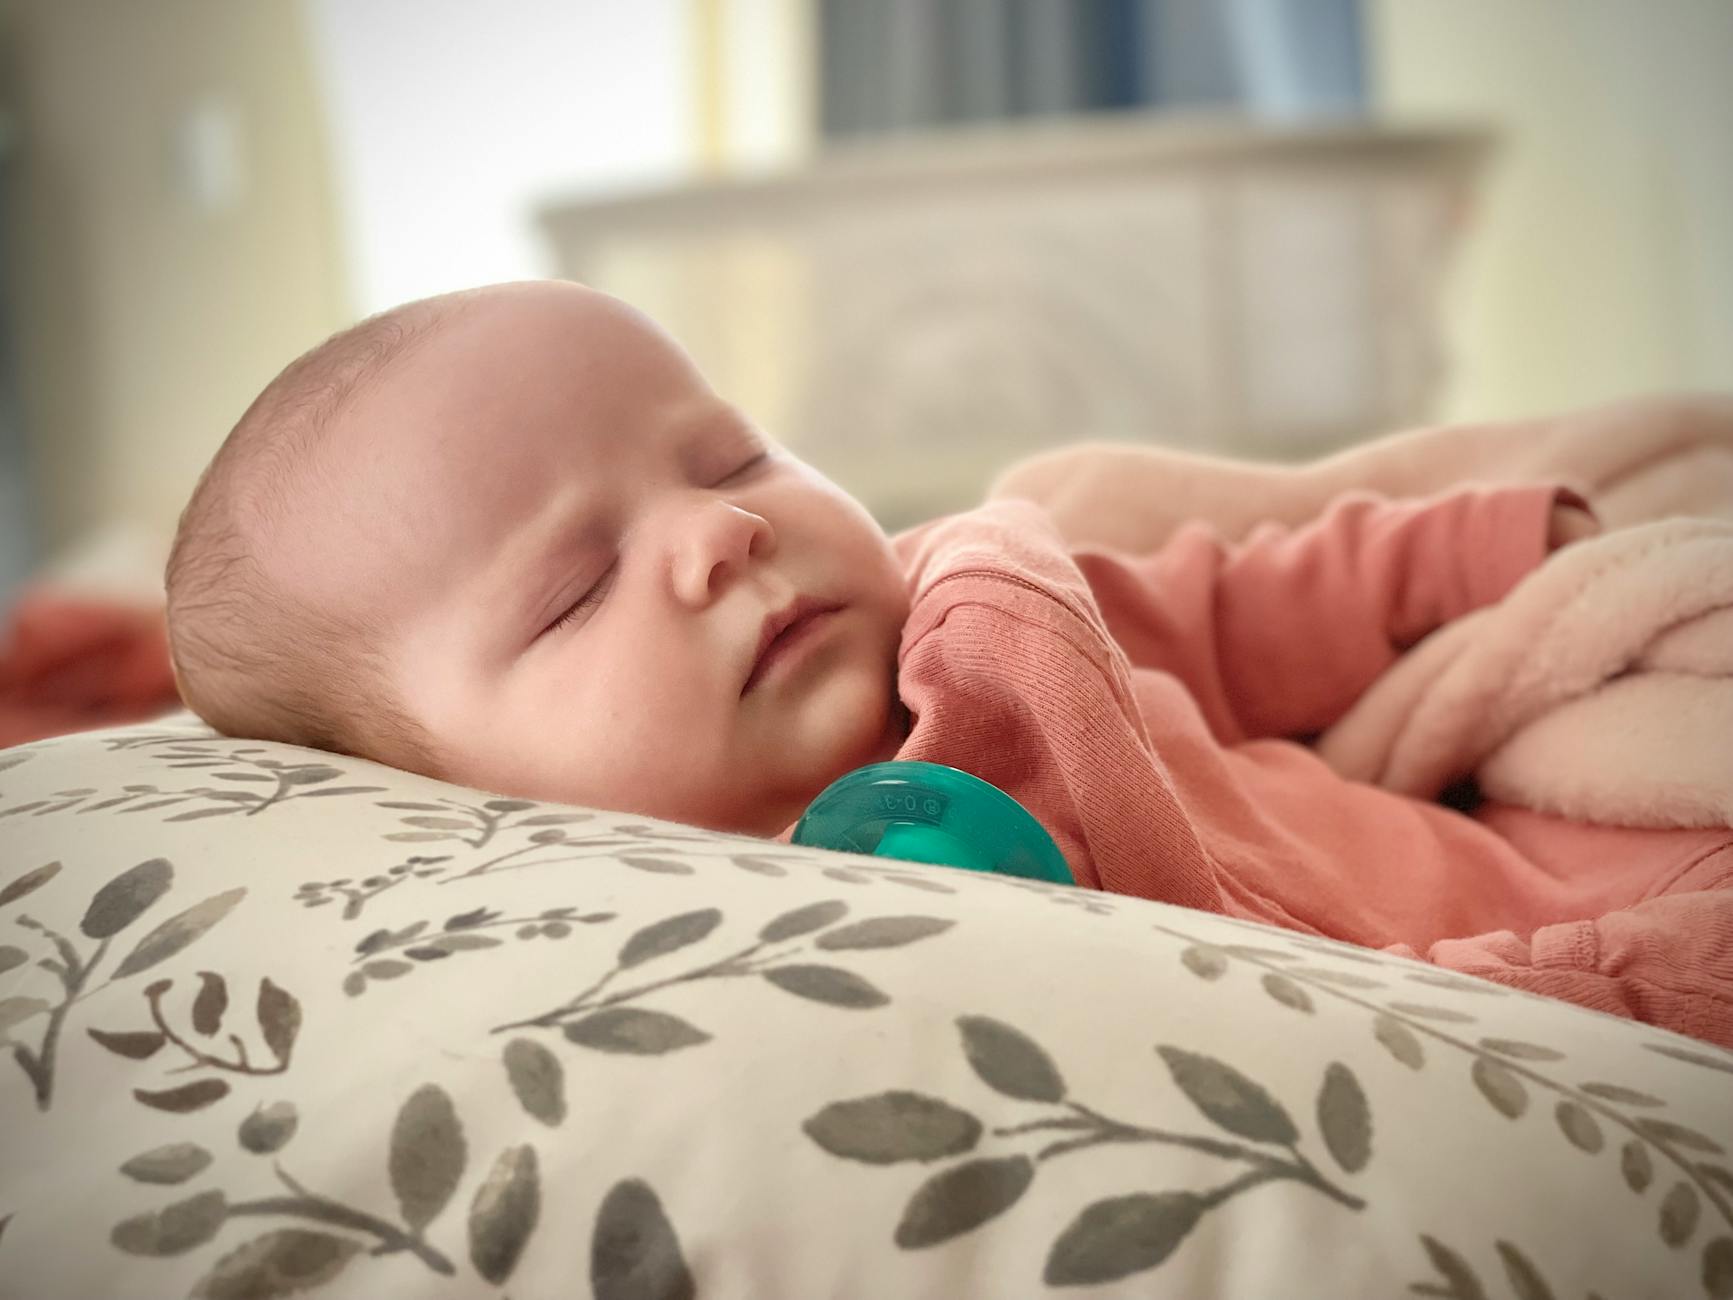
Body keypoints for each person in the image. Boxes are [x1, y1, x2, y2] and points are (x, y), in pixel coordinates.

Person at [166, 280, 1731, 1044]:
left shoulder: (977, 609)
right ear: (458, 805)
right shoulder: (729, 974)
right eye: (574, 593)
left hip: (1543, 876)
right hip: (1453, 1025)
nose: (715, 537)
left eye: (731, 455)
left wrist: (1459, 551)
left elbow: (1238, 604)